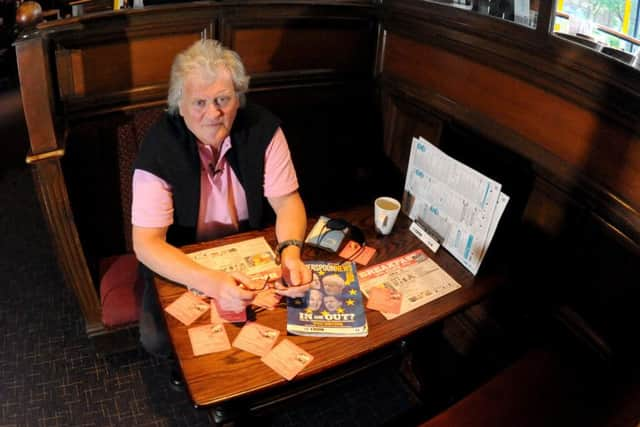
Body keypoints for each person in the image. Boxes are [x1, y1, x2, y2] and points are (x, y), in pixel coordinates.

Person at [132, 39, 311, 361]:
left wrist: (291, 253)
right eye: (199, 102)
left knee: (279, 316)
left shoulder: (263, 128)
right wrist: (211, 282)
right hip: (183, 255)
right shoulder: (158, 146)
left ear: (238, 98)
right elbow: (146, 243)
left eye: (223, 99)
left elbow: (287, 203)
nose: (213, 113)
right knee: (157, 338)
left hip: (248, 245)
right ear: (179, 105)